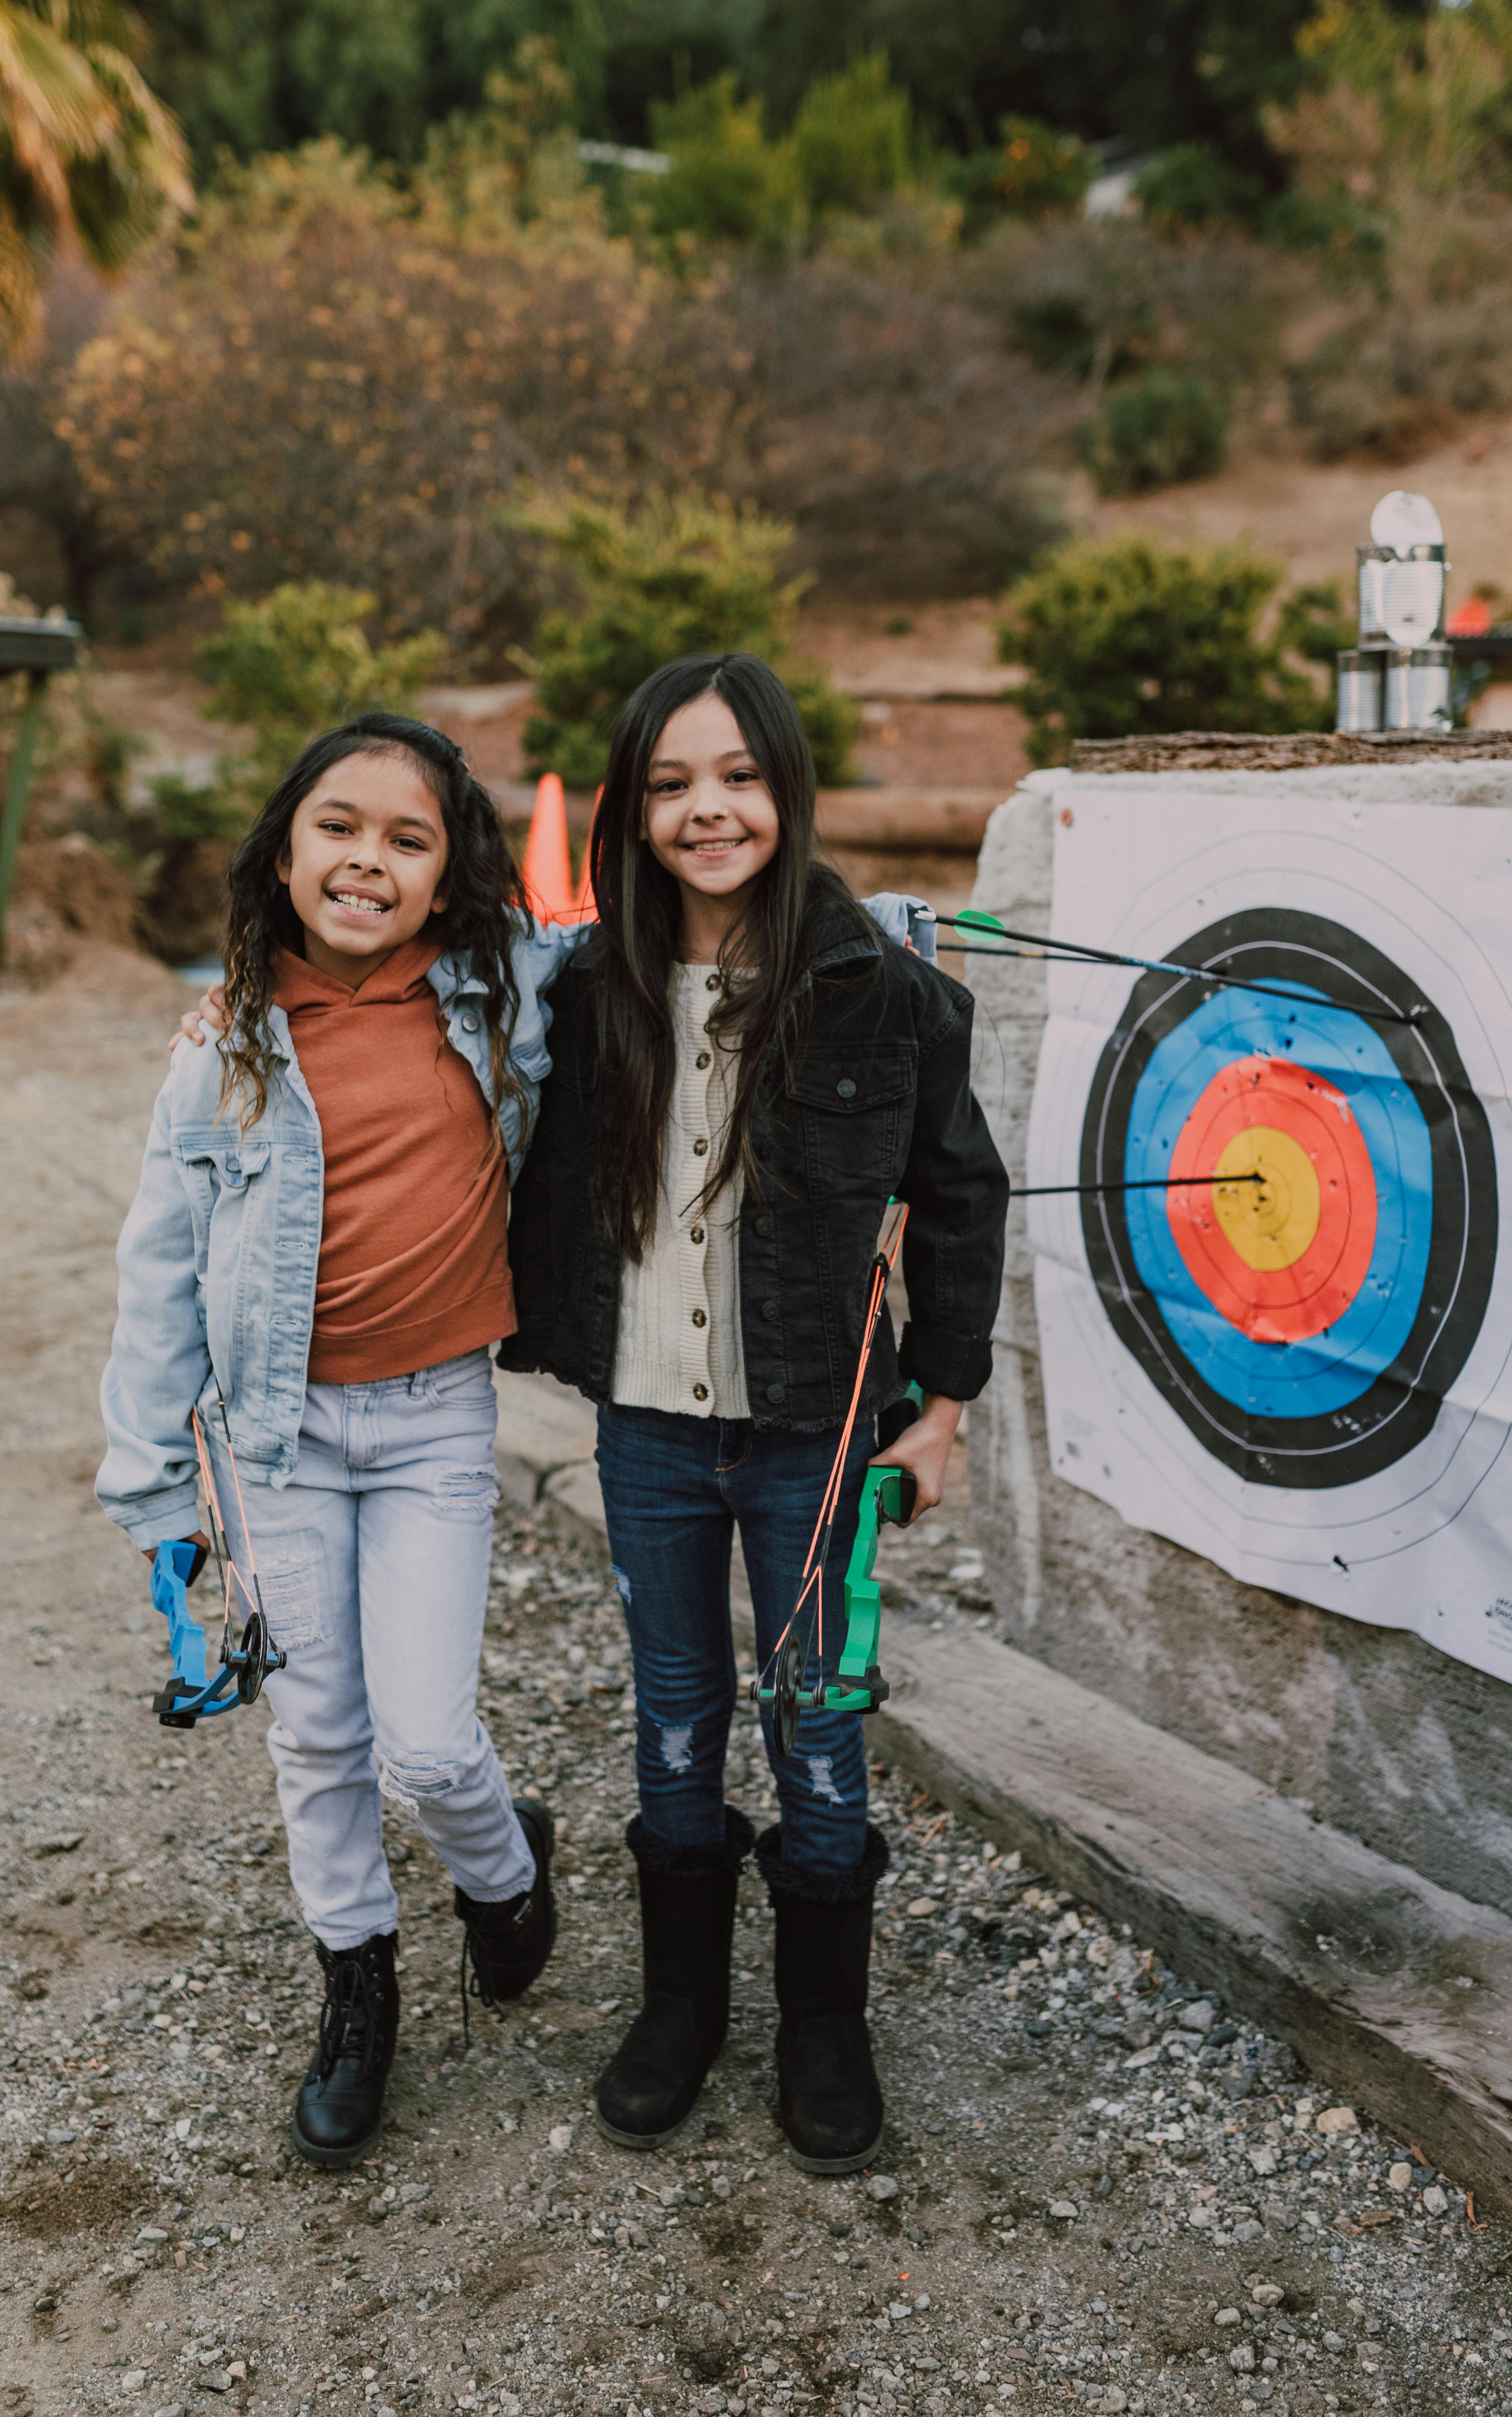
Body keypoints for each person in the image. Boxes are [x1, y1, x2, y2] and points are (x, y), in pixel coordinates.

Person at [499, 652, 1009, 2173]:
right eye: (670, 784)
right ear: (630, 807)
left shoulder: (892, 994)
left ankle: (823, 2024)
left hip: (818, 1425)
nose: (706, 810)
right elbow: (437, 1007)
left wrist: (948, 1401)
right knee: (673, 1712)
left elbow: (961, 1193)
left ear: (787, 788)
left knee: (819, 1719)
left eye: (737, 777)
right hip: (648, 1426)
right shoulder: (582, 989)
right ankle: (680, 2009)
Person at [97, 713, 575, 2168]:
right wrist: (157, 1492)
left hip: (436, 1423)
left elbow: (691, 938)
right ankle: (356, 1985)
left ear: (452, 874)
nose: (369, 856)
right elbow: (159, 1270)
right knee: (318, 1729)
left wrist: (875, 918)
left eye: (409, 837)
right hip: (275, 1435)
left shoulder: (508, 992)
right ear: (288, 851)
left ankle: (503, 1874)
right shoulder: (225, 1045)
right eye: (340, 827)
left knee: (429, 1741)